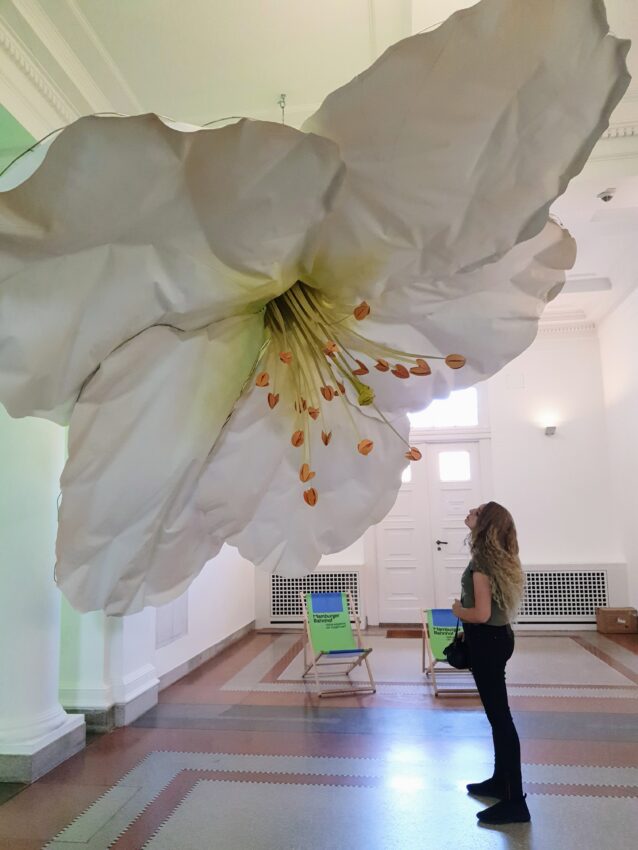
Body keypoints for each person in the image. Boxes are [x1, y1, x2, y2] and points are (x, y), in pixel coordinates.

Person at [451, 501, 530, 825]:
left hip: (487, 641)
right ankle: (501, 782)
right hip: (499, 639)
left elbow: (481, 614)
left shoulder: (483, 560)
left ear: (485, 524)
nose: (470, 510)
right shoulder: (494, 555)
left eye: (478, 510)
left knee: (500, 719)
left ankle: (514, 802)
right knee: (499, 718)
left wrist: (457, 610)